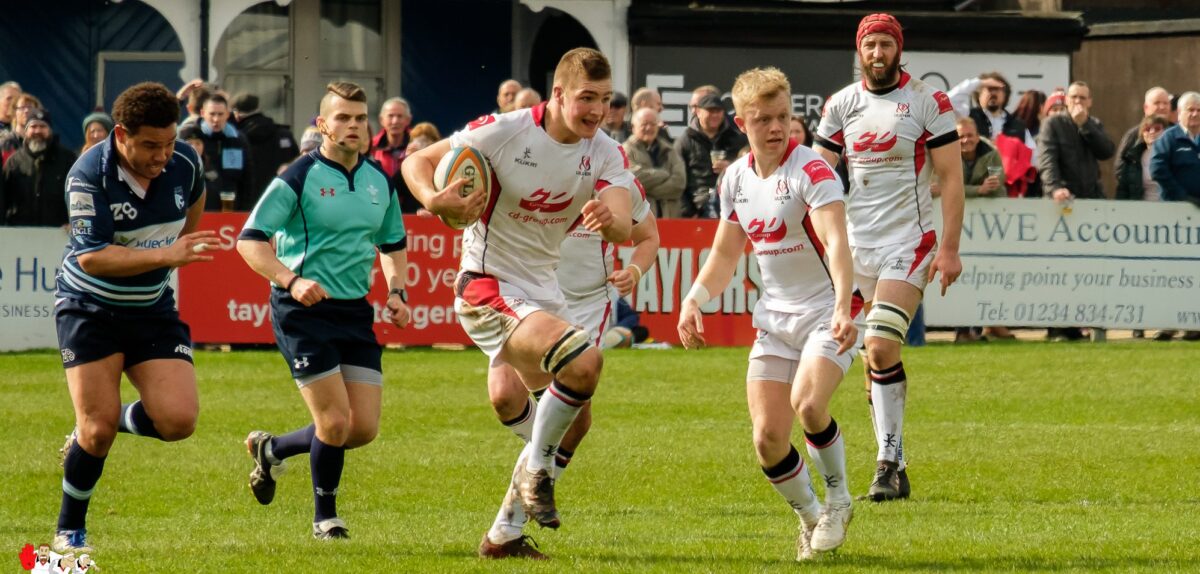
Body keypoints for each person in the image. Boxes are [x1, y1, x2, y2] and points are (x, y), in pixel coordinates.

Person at [403, 47, 634, 559]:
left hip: (542, 290)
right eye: (586, 99)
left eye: (604, 99)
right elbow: (418, 161)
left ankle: (503, 535)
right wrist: (432, 199)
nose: (597, 110)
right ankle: (538, 469)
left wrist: (610, 218)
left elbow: (622, 216)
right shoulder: (503, 130)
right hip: (486, 285)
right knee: (584, 362)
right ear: (558, 94)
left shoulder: (605, 152)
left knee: (577, 419)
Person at [680, 67, 863, 560]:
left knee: (808, 404)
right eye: (763, 119)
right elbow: (724, 255)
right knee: (767, 439)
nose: (777, 128)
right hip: (775, 319)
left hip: (829, 309)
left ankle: (840, 498)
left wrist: (845, 307)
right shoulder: (736, 179)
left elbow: (836, 242)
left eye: (783, 116)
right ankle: (809, 516)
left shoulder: (814, 172)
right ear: (742, 124)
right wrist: (694, 298)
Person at [236, 81, 411, 540]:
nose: (353, 126)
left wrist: (397, 292)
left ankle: (271, 450)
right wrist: (291, 280)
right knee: (334, 422)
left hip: (354, 313)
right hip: (302, 311)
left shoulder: (379, 181)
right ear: (322, 125)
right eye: (342, 118)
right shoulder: (298, 175)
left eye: (359, 118)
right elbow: (249, 240)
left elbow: (392, 244)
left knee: (361, 429)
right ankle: (325, 518)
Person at [50, 81, 212, 554]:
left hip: (151, 308)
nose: (163, 155)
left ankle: (109, 418)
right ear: (120, 134)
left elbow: (194, 203)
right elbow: (93, 258)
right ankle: (69, 533)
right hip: (90, 307)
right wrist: (167, 253)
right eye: (149, 145)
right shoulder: (87, 174)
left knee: (179, 421)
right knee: (95, 434)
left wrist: (171, 251)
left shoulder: (185, 162)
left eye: (169, 143)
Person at [814, 13, 964, 502]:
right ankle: (895, 469)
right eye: (869, 45)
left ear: (899, 49)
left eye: (885, 44)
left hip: (910, 243)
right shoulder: (840, 105)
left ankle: (885, 461)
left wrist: (949, 249)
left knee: (878, 347)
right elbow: (816, 175)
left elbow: (952, 179)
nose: (877, 54)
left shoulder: (927, 101)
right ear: (859, 50)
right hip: (856, 249)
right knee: (874, 360)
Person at [482, 173, 658, 561]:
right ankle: (542, 460)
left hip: (584, 308)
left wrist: (634, 271)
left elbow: (648, 237)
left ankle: (505, 530)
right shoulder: (526, 161)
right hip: (526, 296)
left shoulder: (615, 174)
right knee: (506, 398)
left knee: (569, 419)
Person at [946, 117, 1010, 341]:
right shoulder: (946, 152)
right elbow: (942, 186)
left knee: (990, 271)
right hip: (957, 223)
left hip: (989, 225)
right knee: (961, 275)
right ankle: (963, 330)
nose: (966, 140)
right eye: (961, 136)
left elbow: (999, 177)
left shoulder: (990, 152)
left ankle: (993, 324)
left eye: (970, 135)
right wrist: (978, 190)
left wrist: (991, 185)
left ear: (977, 135)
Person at [1149, 92, 1200, 342]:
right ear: (1178, 113)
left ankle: (1193, 324)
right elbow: (1157, 168)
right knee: (1170, 271)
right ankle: (1166, 324)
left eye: (1198, 110)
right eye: (1190, 109)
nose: (1194, 114)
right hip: (1173, 216)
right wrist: (1181, 196)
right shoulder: (1169, 138)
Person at [676, 92, 748, 218]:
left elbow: (751, 168)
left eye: (718, 111)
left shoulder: (737, 138)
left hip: (733, 203)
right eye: (710, 111)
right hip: (698, 205)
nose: (715, 115)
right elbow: (678, 180)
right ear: (698, 112)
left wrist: (731, 167)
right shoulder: (685, 140)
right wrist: (688, 212)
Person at [2, 109, 77, 226]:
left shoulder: (68, 159)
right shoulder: (14, 162)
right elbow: (3, 199)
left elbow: (77, 197)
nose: (37, 131)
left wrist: (74, 222)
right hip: (19, 234)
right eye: (33, 126)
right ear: (26, 131)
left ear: (50, 130)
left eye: (42, 126)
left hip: (58, 233)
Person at [232, 92, 299, 202]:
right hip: (280, 198)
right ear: (258, 108)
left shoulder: (236, 139)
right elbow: (297, 166)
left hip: (247, 203)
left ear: (237, 114)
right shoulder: (284, 135)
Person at [624, 107, 686, 217]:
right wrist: (664, 174)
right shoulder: (625, 151)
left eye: (653, 124)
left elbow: (679, 183)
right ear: (633, 127)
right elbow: (633, 180)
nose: (649, 128)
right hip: (639, 220)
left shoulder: (670, 150)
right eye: (644, 124)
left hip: (670, 219)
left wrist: (647, 191)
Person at [197, 93, 254, 210]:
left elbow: (248, 179)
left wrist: (245, 210)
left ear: (227, 114)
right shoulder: (194, 138)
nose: (216, 119)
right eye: (212, 114)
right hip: (202, 210)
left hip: (231, 208)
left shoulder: (238, 140)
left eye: (220, 114)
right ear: (203, 113)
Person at [1115, 87, 1172, 182]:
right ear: (1146, 107)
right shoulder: (1134, 135)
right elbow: (1120, 168)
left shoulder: (1176, 133)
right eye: (1157, 103)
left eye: (1165, 103)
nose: (1162, 107)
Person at [370, 97, 412, 178]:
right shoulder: (371, 147)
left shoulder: (418, 145)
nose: (395, 121)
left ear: (408, 120)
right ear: (381, 120)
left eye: (400, 116)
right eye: (390, 116)